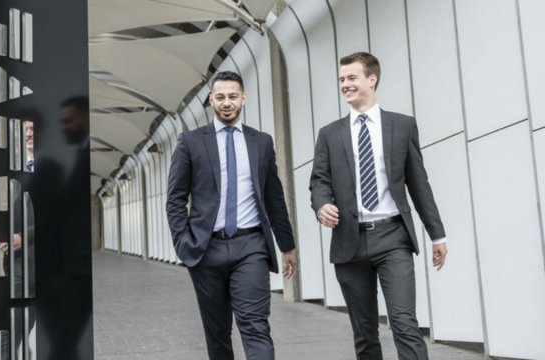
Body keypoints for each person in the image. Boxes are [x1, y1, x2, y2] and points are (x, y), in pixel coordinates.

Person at [309, 52, 448, 360]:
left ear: (372, 79)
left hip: (393, 237)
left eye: (352, 78)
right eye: (342, 79)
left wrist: (437, 235)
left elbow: (418, 184)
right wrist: (322, 206)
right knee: (364, 332)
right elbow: (319, 181)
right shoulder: (329, 135)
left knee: (404, 323)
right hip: (349, 242)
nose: (345, 84)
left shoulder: (402, 126)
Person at [166, 71, 297, 360]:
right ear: (212, 100)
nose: (227, 103)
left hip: (251, 247)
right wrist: (183, 243)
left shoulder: (261, 142)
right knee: (217, 334)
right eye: (221, 97)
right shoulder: (190, 141)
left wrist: (287, 245)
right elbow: (175, 198)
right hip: (205, 249)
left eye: (233, 96)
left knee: (255, 326)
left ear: (243, 98)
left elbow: (274, 196)